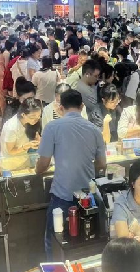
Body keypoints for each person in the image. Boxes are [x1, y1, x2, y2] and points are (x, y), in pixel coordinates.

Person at [36, 89, 106, 259]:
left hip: (62, 195)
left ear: (61, 107)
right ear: (82, 106)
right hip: (88, 198)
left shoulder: (52, 127)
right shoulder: (94, 130)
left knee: (55, 241)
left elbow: (43, 164)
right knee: (86, 241)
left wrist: (37, 170)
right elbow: (102, 164)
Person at [1, 98, 42, 169]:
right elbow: (10, 151)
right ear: (23, 114)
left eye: (39, 116)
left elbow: (36, 135)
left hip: (24, 160)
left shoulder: (32, 122)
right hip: (10, 164)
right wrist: (26, 146)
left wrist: (38, 141)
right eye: (33, 117)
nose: (37, 119)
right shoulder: (12, 127)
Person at [75, 59, 104, 128]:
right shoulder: (83, 90)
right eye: (95, 76)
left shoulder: (88, 86)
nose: (97, 79)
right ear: (87, 74)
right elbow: (95, 107)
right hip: (92, 125)